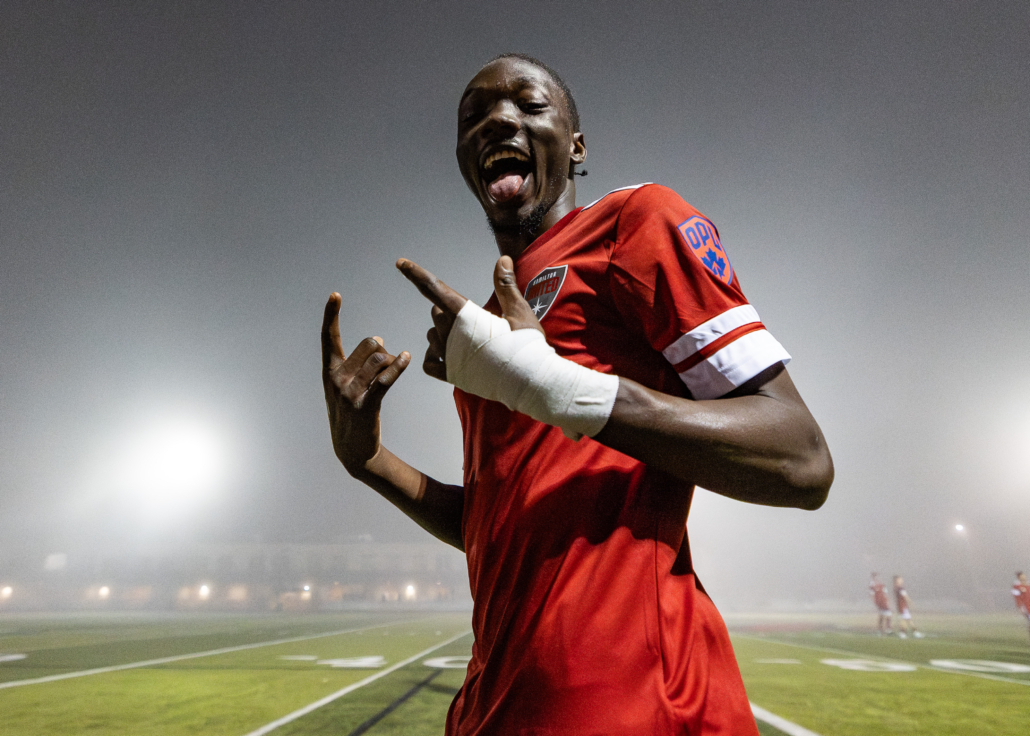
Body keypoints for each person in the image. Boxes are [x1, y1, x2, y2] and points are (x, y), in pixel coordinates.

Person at [321, 53, 833, 735]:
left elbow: (800, 458)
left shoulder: (633, 223)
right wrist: (371, 463)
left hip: (630, 699)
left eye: (528, 106)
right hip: (495, 700)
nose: (497, 121)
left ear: (577, 143)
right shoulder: (494, 320)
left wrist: (561, 387)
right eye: (474, 117)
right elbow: (503, 522)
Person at [1012, 571, 1030, 640]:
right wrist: (1020, 606)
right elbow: (1017, 597)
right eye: (1022, 576)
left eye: (1024, 576)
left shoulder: (1028, 585)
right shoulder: (1017, 586)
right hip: (1026, 607)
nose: (1024, 577)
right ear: (1019, 577)